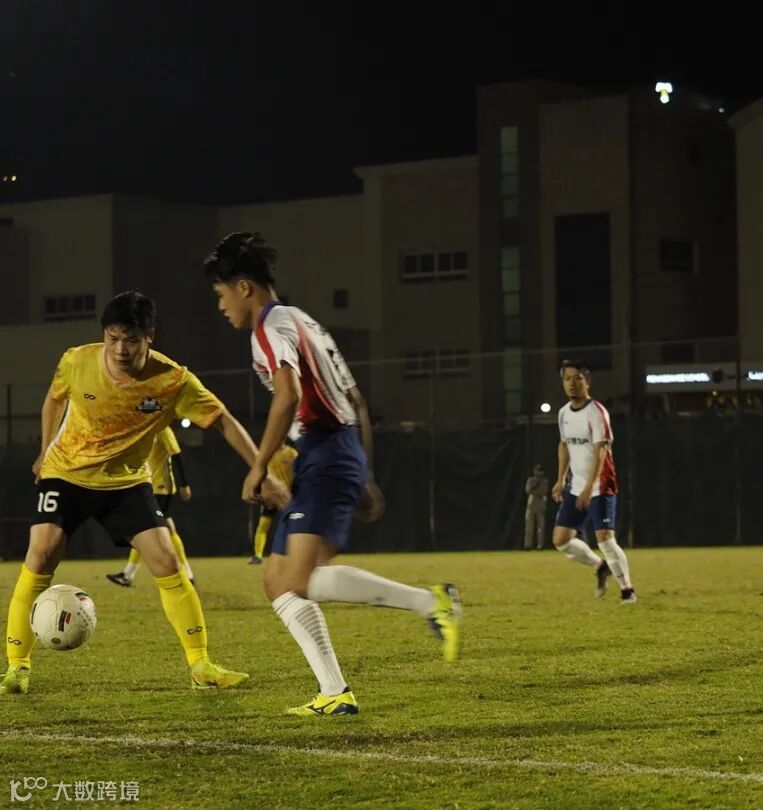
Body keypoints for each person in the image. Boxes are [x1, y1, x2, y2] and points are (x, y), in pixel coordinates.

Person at [203, 231, 461, 718]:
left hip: (326, 452)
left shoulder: (269, 327)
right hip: (332, 452)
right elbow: (355, 399)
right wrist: (364, 470)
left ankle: (431, 602)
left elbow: (288, 396)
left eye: (220, 294)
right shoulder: (306, 321)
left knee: (298, 580)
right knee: (278, 582)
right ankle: (334, 691)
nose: (220, 306)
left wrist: (259, 465)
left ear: (243, 287)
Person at [0, 291, 286, 696]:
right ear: (104, 334)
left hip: (127, 482)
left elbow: (222, 420)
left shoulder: (173, 381)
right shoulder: (77, 360)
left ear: (149, 337)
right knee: (42, 552)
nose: (120, 349)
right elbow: (54, 400)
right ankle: (17, 667)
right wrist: (45, 449)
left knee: (167, 560)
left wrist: (262, 469)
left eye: (131, 340)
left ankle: (200, 665)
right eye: (113, 338)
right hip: (67, 474)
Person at [551, 359, 636, 604]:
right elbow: (564, 445)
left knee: (605, 540)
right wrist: (560, 479)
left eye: (577, 378)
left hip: (601, 485)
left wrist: (589, 487)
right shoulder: (563, 413)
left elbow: (601, 450)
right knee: (560, 540)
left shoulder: (597, 411)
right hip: (576, 486)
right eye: (567, 379)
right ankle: (600, 566)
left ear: (587, 381)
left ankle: (628, 591)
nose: (572, 384)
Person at [107, 425, 196, 586]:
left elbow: (176, 455)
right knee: (165, 530)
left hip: (161, 488)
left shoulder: (163, 429)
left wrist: (184, 484)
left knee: (143, 528)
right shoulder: (144, 428)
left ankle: (128, 574)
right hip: (147, 486)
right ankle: (187, 573)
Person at [250, 441, 298, 564]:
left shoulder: (291, 453)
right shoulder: (267, 454)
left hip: (286, 495)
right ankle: (258, 556)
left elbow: (298, 472)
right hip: (271, 495)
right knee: (263, 525)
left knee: (293, 525)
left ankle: (294, 553)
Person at [523, 464, 548, 550]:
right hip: (532, 502)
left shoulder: (544, 481)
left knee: (541, 525)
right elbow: (528, 490)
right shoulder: (530, 480)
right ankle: (527, 545)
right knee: (529, 525)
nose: (537, 472)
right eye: (536, 470)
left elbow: (544, 491)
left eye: (539, 471)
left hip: (540, 502)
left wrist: (535, 491)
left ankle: (540, 545)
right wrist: (536, 492)